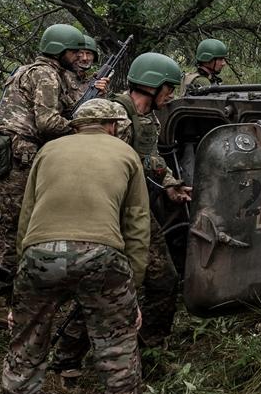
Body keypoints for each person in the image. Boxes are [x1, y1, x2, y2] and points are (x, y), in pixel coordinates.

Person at [0, 99, 151, 394]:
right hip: (102, 253)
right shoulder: (127, 155)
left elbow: (26, 219)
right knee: (116, 349)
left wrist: (21, 288)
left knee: (26, 349)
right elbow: (138, 226)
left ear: (77, 126)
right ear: (113, 125)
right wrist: (133, 294)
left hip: (39, 252)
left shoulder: (48, 151)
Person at [53, 53, 188, 376]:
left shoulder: (147, 119)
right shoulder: (114, 116)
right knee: (99, 285)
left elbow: (148, 157)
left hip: (135, 210)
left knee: (162, 280)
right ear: (154, 85)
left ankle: (147, 350)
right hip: (107, 212)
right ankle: (68, 357)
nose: (171, 96)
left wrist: (169, 183)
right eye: (169, 88)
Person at [0, 24, 87, 307]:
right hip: (22, 161)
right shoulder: (46, 74)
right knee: (23, 232)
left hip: (13, 158)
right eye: (74, 51)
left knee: (21, 230)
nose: (79, 56)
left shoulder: (26, 70)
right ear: (60, 51)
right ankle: (3, 300)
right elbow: (47, 123)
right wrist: (85, 128)